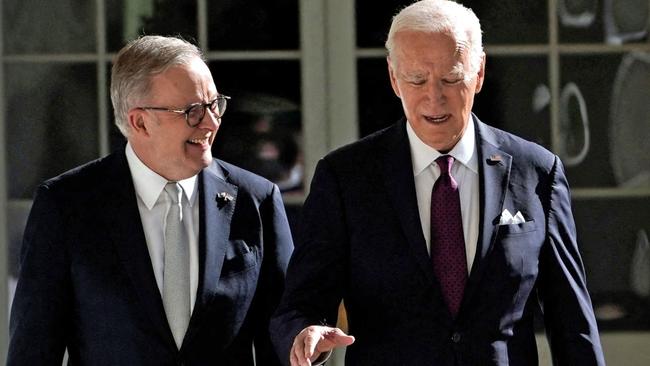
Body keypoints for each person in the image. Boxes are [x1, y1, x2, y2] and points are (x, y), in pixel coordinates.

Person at [270, 1, 605, 365]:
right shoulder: (346, 178)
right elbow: (300, 304)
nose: (434, 97)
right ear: (394, 78)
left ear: (478, 73)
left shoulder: (536, 171)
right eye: (417, 79)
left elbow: (572, 320)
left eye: (450, 78)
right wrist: (305, 334)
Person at [8, 35, 293, 365]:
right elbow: (33, 351)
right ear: (139, 122)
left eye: (215, 104)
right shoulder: (67, 206)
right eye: (192, 111)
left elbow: (283, 335)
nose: (212, 122)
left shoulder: (256, 199)